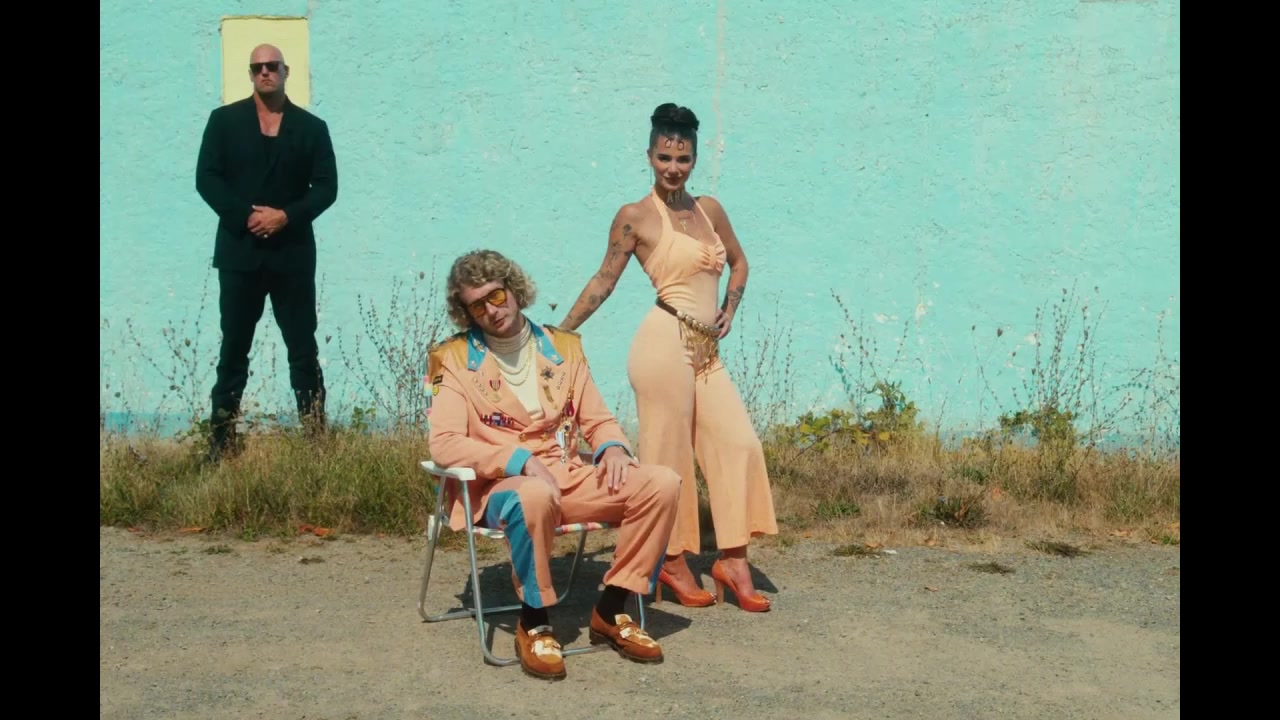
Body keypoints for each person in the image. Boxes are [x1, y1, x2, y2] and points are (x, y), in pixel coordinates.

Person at [557, 102, 778, 613]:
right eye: (664, 157)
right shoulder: (634, 217)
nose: (673, 168)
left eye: (683, 158)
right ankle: (671, 559)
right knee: (669, 456)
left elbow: (740, 263)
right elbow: (604, 280)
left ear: (694, 158)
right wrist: (561, 333)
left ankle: (733, 562)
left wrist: (730, 308)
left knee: (739, 444)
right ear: (649, 156)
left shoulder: (710, 210)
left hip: (706, 351)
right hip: (662, 345)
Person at [426, 249, 682, 681]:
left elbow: (597, 420)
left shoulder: (562, 347)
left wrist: (613, 448)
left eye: (496, 296)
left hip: (567, 474)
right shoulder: (451, 358)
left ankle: (612, 610)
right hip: (500, 486)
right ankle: (534, 622)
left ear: (513, 289)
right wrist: (518, 459)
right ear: (465, 312)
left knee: (662, 483)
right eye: (477, 306)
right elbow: (445, 443)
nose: (492, 311)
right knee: (535, 494)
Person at [195, 43, 338, 462]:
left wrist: (286, 216)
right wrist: (247, 217)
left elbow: (326, 187)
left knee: (303, 349)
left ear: (285, 71)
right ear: (250, 73)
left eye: (271, 65)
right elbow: (207, 178)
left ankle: (315, 442)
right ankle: (221, 442)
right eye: (257, 66)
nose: (264, 72)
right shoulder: (223, 121)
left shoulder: (312, 128)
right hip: (239, 254)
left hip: (292, 255)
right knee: (233, 349)